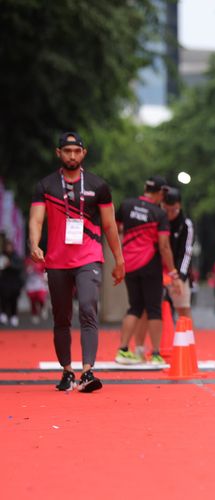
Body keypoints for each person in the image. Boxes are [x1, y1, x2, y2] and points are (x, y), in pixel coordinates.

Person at [28, 132, 125, 392]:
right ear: (58, 153)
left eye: (76, 151)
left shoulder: (98, 186)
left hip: (88, 257)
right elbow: (36, 219)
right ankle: (67, 371)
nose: (72, 155)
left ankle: (87, 371)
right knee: (61, 317)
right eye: (67, 151)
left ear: (84, 153)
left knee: (87, 307)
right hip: (57, 260)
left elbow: (109, 225)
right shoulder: (46, 185)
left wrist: (119, 259)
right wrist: (34, 244)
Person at [114, 176, 178, 365]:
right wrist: (172, 271)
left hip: (129, 263)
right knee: (154, 309)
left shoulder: (126, 205)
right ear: (160, 192)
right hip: (150, 264)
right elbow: (164, 246)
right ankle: (156, 354)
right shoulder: (159, 214)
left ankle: (123, 350)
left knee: (134, 307)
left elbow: (114, 229)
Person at [162, 187, 194, 318]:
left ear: (179, 205)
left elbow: (187, 252)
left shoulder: (185, 224)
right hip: (159, 270)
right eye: (166, 210)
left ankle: (186, 331)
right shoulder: (158, 219)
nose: (170, 214)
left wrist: (180, 277)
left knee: (183, 307)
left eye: (173, 210)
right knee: (155, 310)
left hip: (178, 269)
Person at [0, 240, 24, 327]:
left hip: (14, 283)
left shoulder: (16, 257)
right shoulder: (2, 256)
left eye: (10, 247)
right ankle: (3, 315)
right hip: (4, 282)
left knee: (14, 300)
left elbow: (20, 267)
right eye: (7, 247)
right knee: (4, 299)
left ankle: (14, 316)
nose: (8, 248)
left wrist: (11, 265)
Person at [25, 256, 48, 324]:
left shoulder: (41, 261)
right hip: (31, 284)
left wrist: (38, 270)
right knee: (33, 301)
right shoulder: (28, 261)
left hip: (40, 283)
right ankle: (34, 314)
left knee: (41, 298)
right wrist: (29, 269)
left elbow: (45, 271)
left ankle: (42, 307)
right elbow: (25, 271)